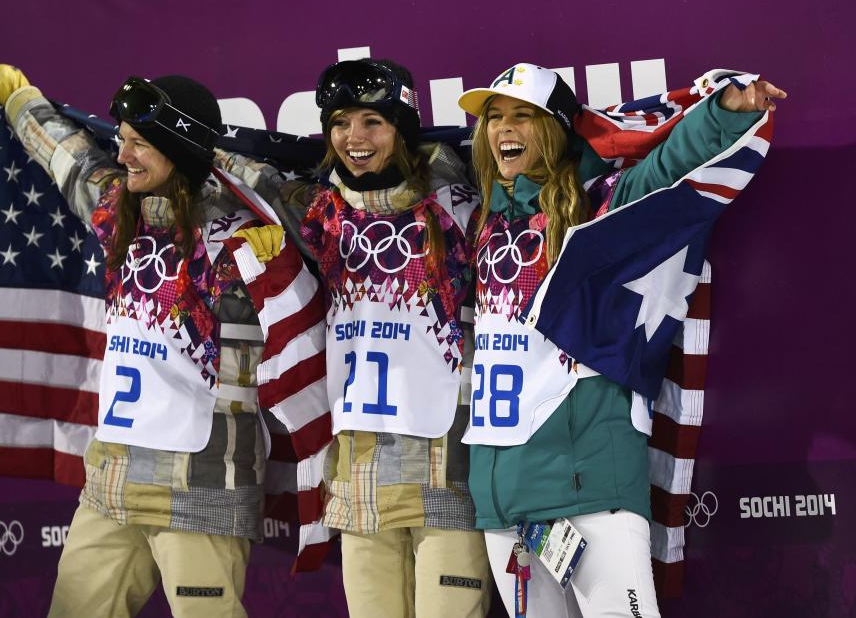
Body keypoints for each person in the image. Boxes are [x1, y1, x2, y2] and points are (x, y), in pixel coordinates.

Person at [0, 64, 320, 618]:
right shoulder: (119, 213)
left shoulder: (249, 227)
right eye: (124, 140)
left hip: (204, 486)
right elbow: (67, 156)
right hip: (112, 481)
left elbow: (342, 214)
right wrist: (20, 99)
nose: (123, 155)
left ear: (179, 148)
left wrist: (222, 161)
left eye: (139, 144)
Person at [456, 63, 786, 617]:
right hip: (503, 498)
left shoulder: (598, 207)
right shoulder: (483, 223)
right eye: (494, 117)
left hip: (589, 481)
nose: (502, 129)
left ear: (557, 128)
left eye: (521, 116)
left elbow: (666, 169)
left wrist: (725, 114)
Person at [221, 58, 491, 617]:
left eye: (373, 121)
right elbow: (224, 163)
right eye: (341, 123)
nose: (354, 138)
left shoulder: (463, 204)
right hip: (360, 483)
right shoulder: (321, 212)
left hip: (448, 478)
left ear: (403, 126)